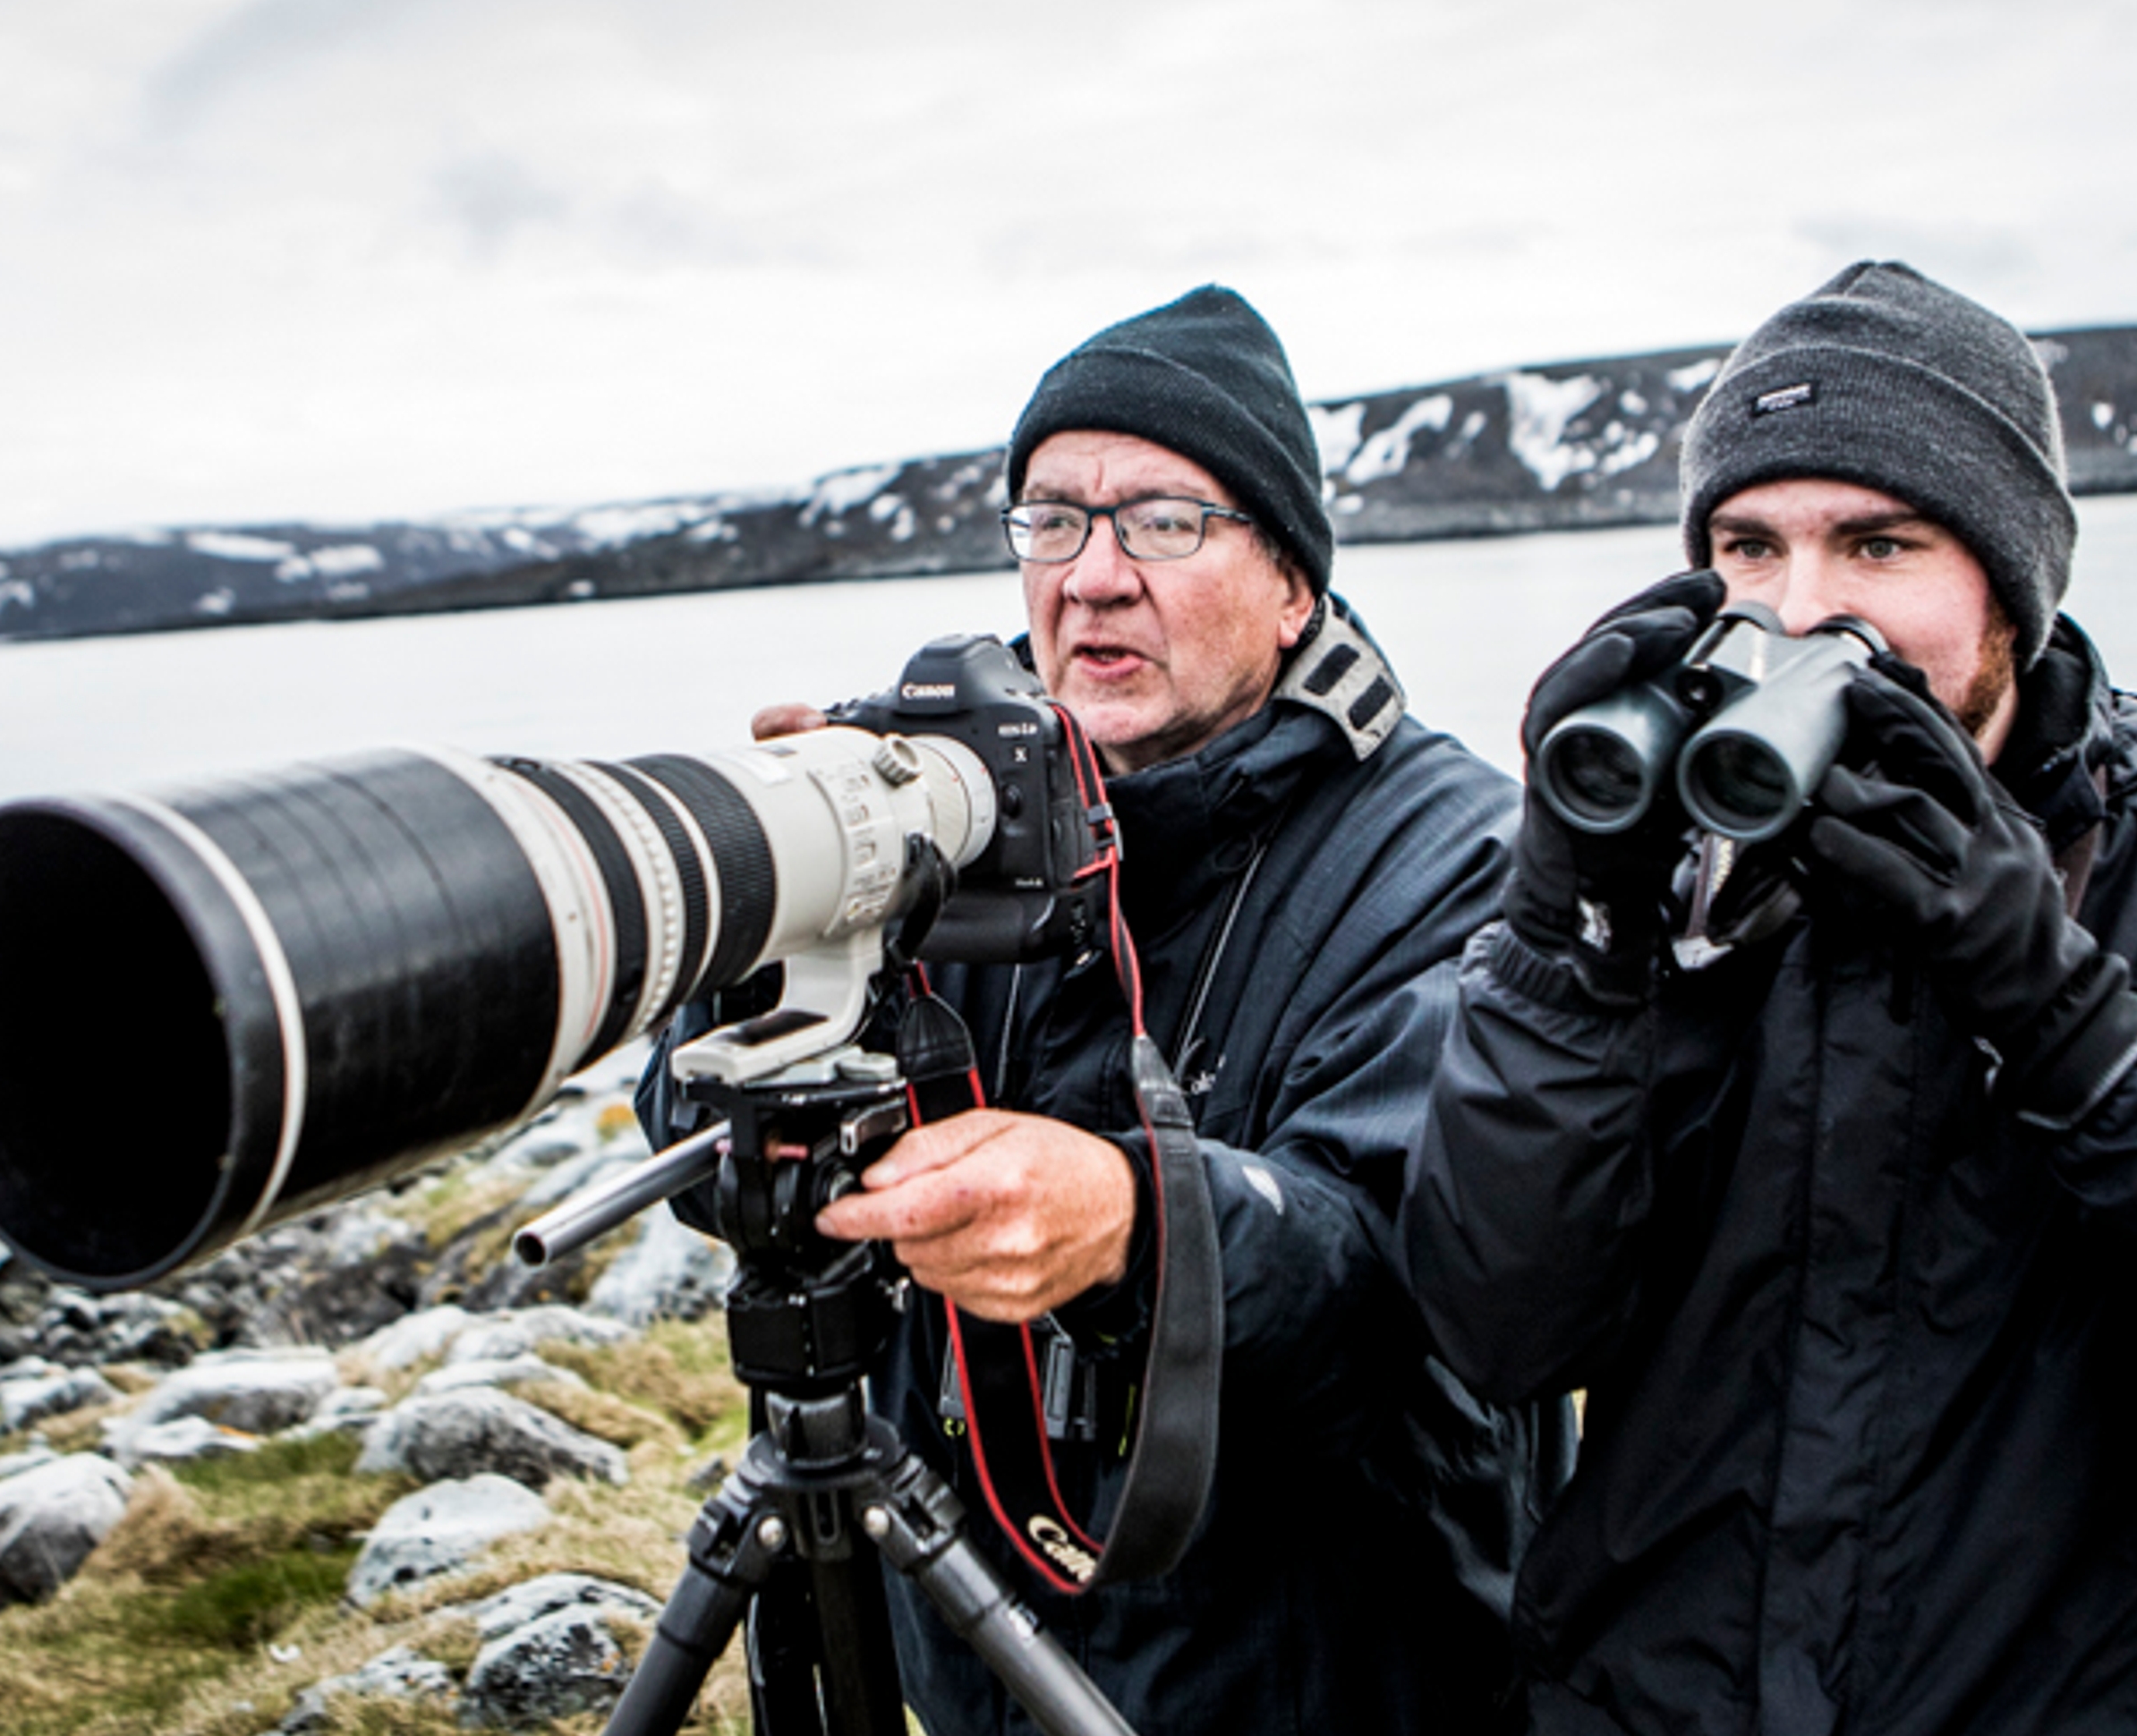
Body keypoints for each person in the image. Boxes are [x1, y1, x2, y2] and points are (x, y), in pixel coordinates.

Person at [1401, 260, 2137, 1736]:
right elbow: (1504, 1334)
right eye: (1747, 548)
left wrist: (2074, 1024)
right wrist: (1567, 940)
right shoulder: (1668, 878)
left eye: (1879, 545)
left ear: (2012, 583)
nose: (1805, 612)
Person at [639, 285, 1556, 1734]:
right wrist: (778, 930)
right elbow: (698, 1137)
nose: (1095, 574)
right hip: (969, 1638)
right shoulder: (923, 810)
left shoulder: (1454, 857)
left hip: (1322, 1676)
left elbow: (1427, 1276)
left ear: (1296, 581)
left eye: (1166, 520)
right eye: (1052, 518)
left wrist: (1140, 1225)